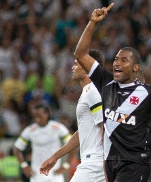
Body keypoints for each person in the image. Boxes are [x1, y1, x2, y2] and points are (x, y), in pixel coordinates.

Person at [73, 3, 151, 181]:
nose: (117, 63)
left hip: (135, 162)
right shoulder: (105, 83)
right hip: (111, 161)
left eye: (124, 60)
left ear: (135, 67)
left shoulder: (150, 94)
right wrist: (92, 23)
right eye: (115, 59)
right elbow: (80, 54)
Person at [39, 49, 106, 182]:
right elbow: (82, 132)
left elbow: (105, 127)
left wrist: (107, 162)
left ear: (88, 67)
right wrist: (55, 157)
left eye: (76, 64)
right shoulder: (88, 92)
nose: (72, 67)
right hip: (93, 162)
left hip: (95, 163)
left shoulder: (93, 92)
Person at [13, 103, 72, 182]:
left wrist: (66, 165)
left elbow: (72, 145)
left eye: (39, 116)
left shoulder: (58, 128)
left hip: (55, 175)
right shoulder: (30, 130)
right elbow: (16, 149)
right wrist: (24, 166)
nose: (37, 119)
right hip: (37, 175)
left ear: (47, 114)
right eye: (34, 117)